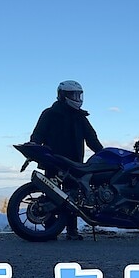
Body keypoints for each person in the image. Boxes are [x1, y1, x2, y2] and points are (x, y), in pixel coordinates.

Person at [30, 80, 103, 240]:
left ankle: (72, 230)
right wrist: (34, 145)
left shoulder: (80, 117)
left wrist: (103, 154)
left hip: (75, 163)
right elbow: (38, 133)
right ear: (63, 95)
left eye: (78, 95)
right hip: (53, 160)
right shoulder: (50, 113)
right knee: (51, 193)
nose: (77, 98)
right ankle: (50, 230)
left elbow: (92, 138)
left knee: (73, 195)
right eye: (73, 95)